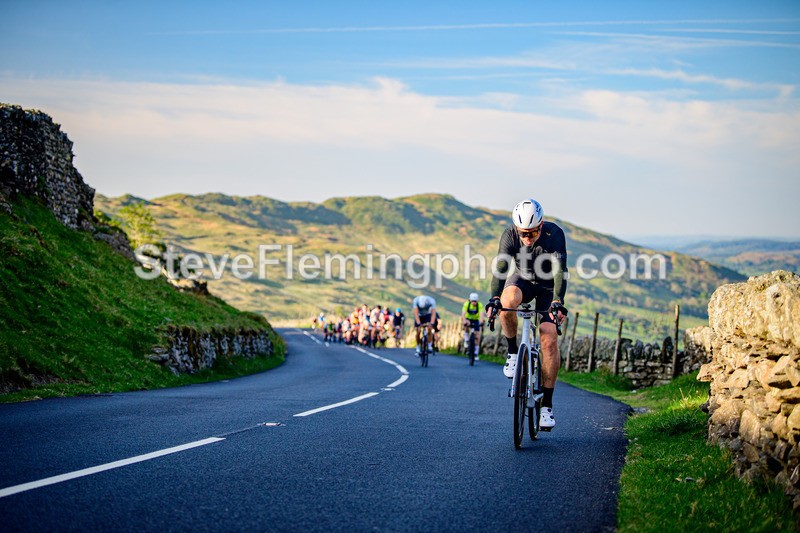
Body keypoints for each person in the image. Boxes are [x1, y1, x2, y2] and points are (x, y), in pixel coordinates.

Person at [485, 198, 569, 430]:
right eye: (523, 233)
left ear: (541, 226)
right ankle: (513, 353)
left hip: (548, 287)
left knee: (548, 337)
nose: (527, 238)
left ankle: (547, 407)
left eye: (532, 233)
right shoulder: (510, 235)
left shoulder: (555, 234)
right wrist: (494, 299)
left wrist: (557, 302)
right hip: (522, 279)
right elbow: (501, 270)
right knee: (506, 301)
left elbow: (561, 271)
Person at [461, 292, 483, 359]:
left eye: (475, 301)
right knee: (466, 325)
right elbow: (463, 314)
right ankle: (466, 339)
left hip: (475, 320)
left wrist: (481, 322)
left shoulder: (479, 305)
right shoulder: (466, 304)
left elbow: (481, 314)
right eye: (472, 301)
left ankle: (476, 353)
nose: (474, 303)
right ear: (470, 300)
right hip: (468, 319)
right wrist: (464, 321)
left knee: (477, 336)